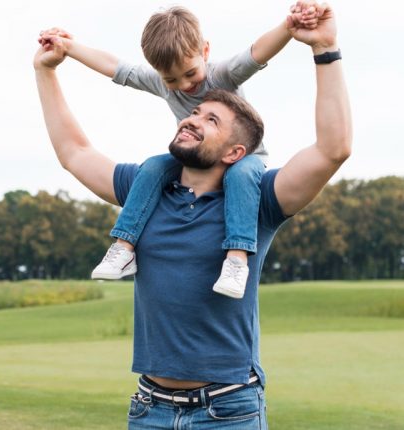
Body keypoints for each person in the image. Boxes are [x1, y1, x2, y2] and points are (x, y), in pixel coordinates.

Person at [35, 2, 350, 428]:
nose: (192, 114)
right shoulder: (145, 190)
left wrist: (325, 50)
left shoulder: (260, 199)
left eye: (211, 118)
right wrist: (48, 70)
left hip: (228, 410)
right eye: (194, 112)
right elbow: (74, 153)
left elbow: (333, 149)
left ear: (235, 152)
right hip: (149, 408)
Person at [39, 4, 320, 300]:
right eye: (171, 80)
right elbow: (116, 67)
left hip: (244, 160)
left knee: (240, 175)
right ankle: (124, 246)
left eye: (190, 73)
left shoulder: (221, 75)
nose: (183, 86)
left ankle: (237, 259)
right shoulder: (163, 84)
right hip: (193, 158)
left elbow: (257, 53)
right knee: (152, 167)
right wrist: (68, 47)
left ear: (205, 51)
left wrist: (289, 28)